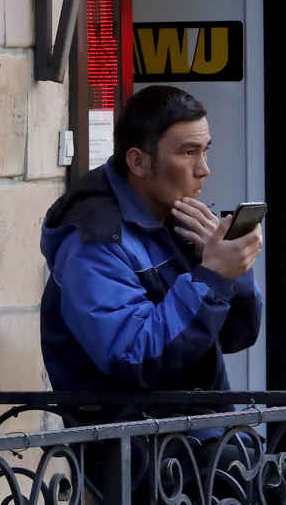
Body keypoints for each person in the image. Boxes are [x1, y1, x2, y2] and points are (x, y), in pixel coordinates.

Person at [39, 85, 265, 499]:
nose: (204, 169)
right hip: (141, 458)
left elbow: (237, 334)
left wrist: (235, 270)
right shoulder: (95, 239)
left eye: (205, 151)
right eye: (188, 153)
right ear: (138, 162)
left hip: (202, 441)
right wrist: (214, 275)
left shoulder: (179, 218)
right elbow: (135, 355)